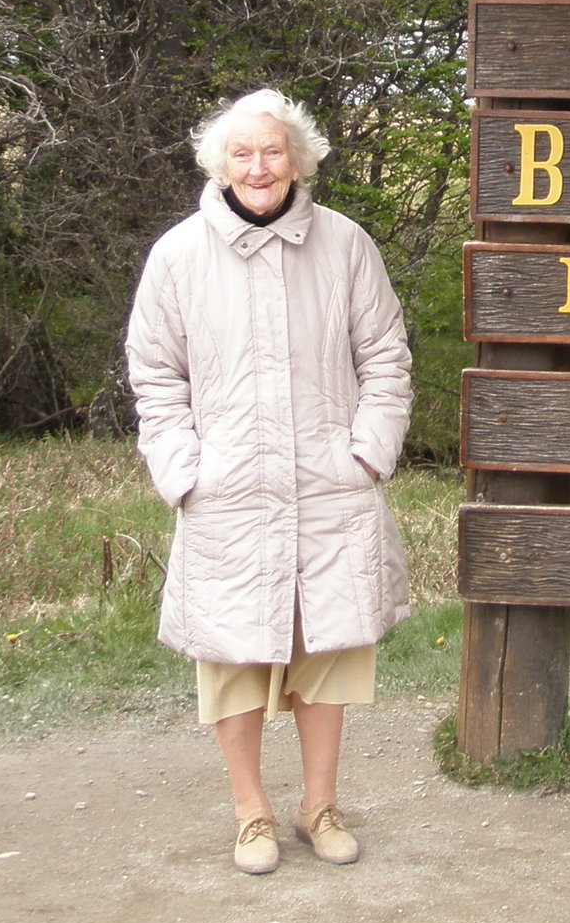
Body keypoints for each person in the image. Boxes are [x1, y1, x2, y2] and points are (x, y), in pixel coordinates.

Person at [126, 88, 414, 875]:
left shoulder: (347, 244)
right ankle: (250, 811)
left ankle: (319, 804)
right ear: (220, 163)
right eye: (243, 153)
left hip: (329, 488)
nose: (259, 166)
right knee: (234, 656)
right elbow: (156, 375)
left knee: (328, 648)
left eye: (273, 150)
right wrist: (185, 471)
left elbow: (385, 356)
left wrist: (367, 453)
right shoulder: (178, 255)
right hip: (229, 492)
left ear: (299, 158)